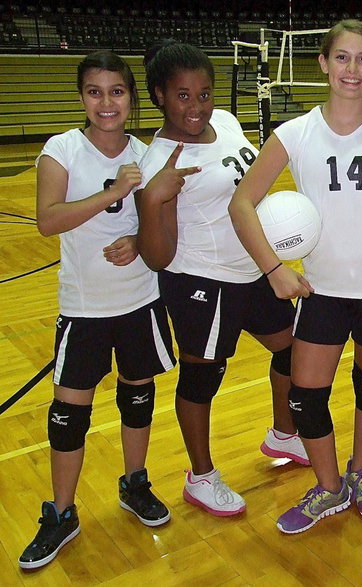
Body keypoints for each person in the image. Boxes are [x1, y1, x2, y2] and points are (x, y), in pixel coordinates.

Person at [228, 20, 362, 534]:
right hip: (321, 290)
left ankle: (360, 474)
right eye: (342, 57)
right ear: (323, 63)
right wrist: (273, 270)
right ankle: (328, 485)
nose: (352, 69)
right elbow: (241, 202)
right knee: (305, 394)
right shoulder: (294, 134)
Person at [19, 51, 175, 570]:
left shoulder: (147, 153)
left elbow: (162, 221)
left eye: (117, 91)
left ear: (132, 97)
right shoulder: (62, 150)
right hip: (84, 307)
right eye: (95, 91)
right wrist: (113, 190)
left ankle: (134, 483)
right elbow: (48, 219)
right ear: (82, 97)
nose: (106, 102)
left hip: (139, 299)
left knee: (138, 396)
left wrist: (136, 237)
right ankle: (61, 513)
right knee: (68, 415)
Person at [134, 41, 302, 517]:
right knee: (202, 378)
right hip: (201, 282)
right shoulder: (159, 163)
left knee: (293, 350)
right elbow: (159, 257)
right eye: (183, 95)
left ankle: (284, 435)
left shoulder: (226, 123)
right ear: (159, 96)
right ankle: (200, 476)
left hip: (253, 271)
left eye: (204, 93)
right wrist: (151, 200)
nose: (197, 106)